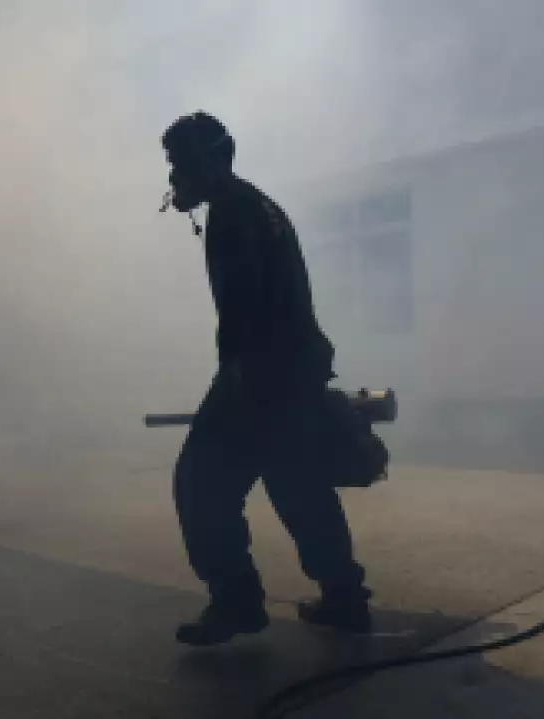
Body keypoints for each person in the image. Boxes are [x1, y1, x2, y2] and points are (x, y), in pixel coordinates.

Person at [160, 111, 372, 646]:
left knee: (200, 483)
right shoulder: (257, 205)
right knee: (298, 485)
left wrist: (238, 381)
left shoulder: (235, 214)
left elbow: (246, 308)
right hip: (291, 368)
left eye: (180, 163)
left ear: (212, 160)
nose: (174, 176)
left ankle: (235, 602)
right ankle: (345, 599)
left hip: (261, 373)